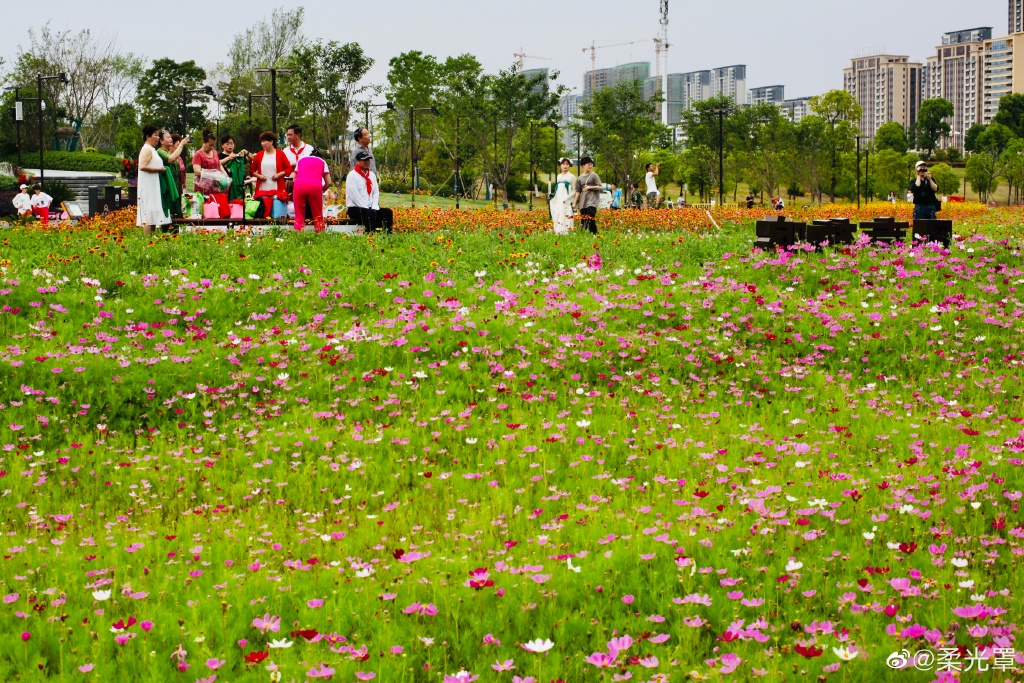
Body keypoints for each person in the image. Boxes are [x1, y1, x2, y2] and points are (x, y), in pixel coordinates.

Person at [136, 124, 171, 236]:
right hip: (148, 188)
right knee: (148, 215)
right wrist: (160, 169)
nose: (157, 138)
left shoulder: (152, 149)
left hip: (153, 187)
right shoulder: (146, 149)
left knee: (152, 216)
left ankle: (151, 239)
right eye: (155, 135)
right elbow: (142, 166)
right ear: (148, 137)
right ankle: (147, 240)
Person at [249, 131, 293, 218]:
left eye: (264, 141)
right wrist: (259, 176)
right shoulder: (259, 155)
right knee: (263, 211)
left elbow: (289, 168)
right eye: (261, 141)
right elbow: (251, 170)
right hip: (262, 187)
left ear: (271, 142)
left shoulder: (280, 154)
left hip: (277, 187)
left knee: (276, 211)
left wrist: (279, 174)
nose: (262, 143)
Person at [292, 150, 331, 233]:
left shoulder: (300, 160)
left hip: (299, 186)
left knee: (299, 215)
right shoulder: (322, 161)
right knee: (317, 216)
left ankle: (297, 236)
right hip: (315, 186)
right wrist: (321, 190)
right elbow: (328, 182)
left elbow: (294, 179)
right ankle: (320, 236)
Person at [346, 150, 383, 233]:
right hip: (355, 207)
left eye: (368, 160)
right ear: (358, 162)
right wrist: (366, 208)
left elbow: (375, 192)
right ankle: (370, 233)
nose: (367, 162)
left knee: (387, 212)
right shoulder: (352, 175)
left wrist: (374, 206)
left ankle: (386, 233)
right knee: (370, 213)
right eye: (364, 160)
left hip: (370, 206)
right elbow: (354, 195)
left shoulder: (372, 175)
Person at [157, 130, 189, 220]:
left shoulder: (167, 152)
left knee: (178, 211)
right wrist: (182, 145)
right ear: (161, 141)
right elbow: (170, 159)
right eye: (167, 137)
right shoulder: (160, 151)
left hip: (176, 186)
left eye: (170, 137)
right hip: (168, 186)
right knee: (170, 211)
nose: (170, 139)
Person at [574, 156, 602, 234]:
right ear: (583, 166)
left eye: (591, 164)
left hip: (593, 201)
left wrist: (590, 187)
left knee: (590, 217)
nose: (590, 166)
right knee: (584, 221)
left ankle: (594, 234)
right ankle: (587, 235)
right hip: (583, 202)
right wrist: (574, 203)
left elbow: (600, 186)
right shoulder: (579, 178)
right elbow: (577, 191)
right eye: (588, 164)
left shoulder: (594, 175)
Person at [219, 135, 250, 202]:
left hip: (237, 184)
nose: (230, 145)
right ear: (222, 145)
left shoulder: (238, 156)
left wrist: (247, 153)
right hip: (225, 184)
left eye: (232, 143)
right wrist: (228, 158)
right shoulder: (219, 155)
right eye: (227, 144)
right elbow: (216, 164)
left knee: (237, 203)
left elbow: (251, 159)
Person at [549, 157, 576, 235]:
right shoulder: (559, 176)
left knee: (566, 213)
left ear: (569, 165)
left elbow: (574, 190)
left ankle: (566, 231)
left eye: (567, 164)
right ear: (560, 165)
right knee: (557, 212)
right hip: (558, 199)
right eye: (563, 164)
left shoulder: (571, 177)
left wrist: (567, 199)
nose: (565, 166)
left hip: (566, 199)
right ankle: (558, 230)